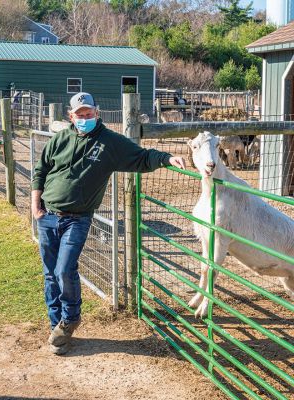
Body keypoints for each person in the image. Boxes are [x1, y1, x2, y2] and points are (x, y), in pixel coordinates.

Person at [31, 92, 186, 355]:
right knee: (50, 274)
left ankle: (70, 319)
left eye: (89, 114)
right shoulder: (60, 139)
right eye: (80, 115)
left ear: (97, 113)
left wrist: (166, 158)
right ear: (71, 116)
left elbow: (141, 156)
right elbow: (40, 170)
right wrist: (36, 206)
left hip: (77, 219)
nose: (84, 118)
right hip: (48, 215)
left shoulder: (109, 142)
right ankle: (56, 326)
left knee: (64, 270)